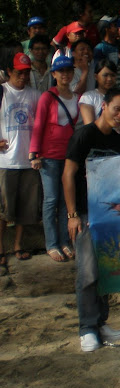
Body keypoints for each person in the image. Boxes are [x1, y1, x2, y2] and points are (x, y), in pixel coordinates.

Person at [63, 87, 120, 351]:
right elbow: (68, 174)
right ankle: (87, 328)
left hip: (108, 216)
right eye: (117, 108)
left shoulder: (117, 142)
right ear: (104, 105)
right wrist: (71, 215)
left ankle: (101, 322)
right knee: (88, 272)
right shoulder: (83, 135)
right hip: (83, 214)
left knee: (105, 271)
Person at [30, 56, 79, 263]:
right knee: (50, 200)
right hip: (49, 155)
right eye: (61, 71)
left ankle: (65, 241)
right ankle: (51, 244)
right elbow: (39, 124)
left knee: (64, 200)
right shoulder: (47, 97)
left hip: (69, 155)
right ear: (54, 74)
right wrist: (34, 153)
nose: (65, 74)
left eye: (69, 71)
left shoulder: (77, 96)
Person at [0, 52, 41, 267]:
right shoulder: (2, 92)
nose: (23, 77)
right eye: (19, 73)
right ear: (9, 71)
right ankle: (1, 247)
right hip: (5, 161)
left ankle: (18, 244)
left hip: (28, 160)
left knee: (26, 208)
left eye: (26, 73)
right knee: (4, 210)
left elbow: (41, 123)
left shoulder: (34, 95)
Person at [79, 60, 117, 125]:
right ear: (96, 77)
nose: (109, 79)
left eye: (112, 75)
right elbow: (89, 126)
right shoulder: (88, 97)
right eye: (105, 75)